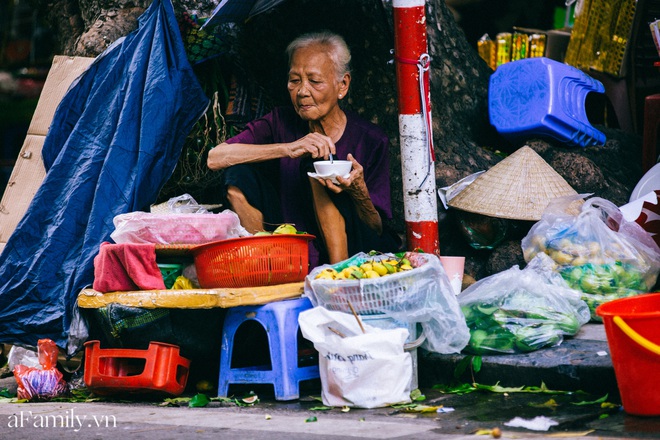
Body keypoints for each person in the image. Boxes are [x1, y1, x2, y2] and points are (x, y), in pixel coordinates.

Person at [207, 31, 400, 267]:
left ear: (342, 85)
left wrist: (358, 191)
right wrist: (289, 148)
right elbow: (216, 158)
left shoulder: (371, 139)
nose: (302, 92)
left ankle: (336, 280)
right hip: (289, 245)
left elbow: (375, 227)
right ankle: (267, 264)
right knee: (237, 175)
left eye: (314, 81)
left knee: (318, 166)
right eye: (295, 80)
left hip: (353, 250)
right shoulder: (280, 120)